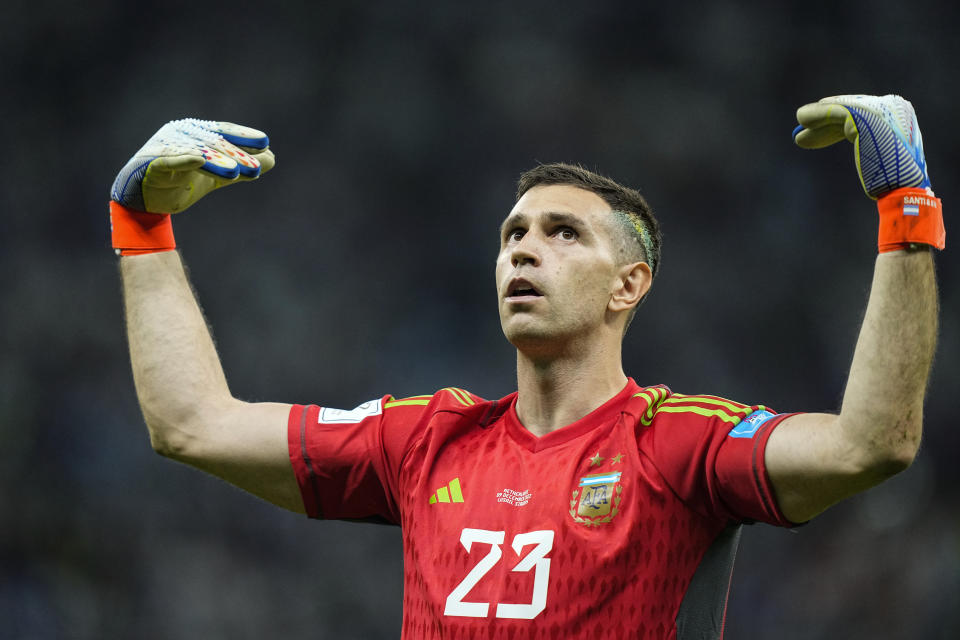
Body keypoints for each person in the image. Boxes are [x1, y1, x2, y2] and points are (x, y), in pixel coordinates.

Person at [111, 96, 944, 639]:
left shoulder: (676, 444)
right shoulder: (427, 439)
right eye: (513, 234)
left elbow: (871, 443)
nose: (524, 250)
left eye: (562, 233)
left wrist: (906, 211)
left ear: (630, 285)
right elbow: (192, 424)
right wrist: (141, 226)